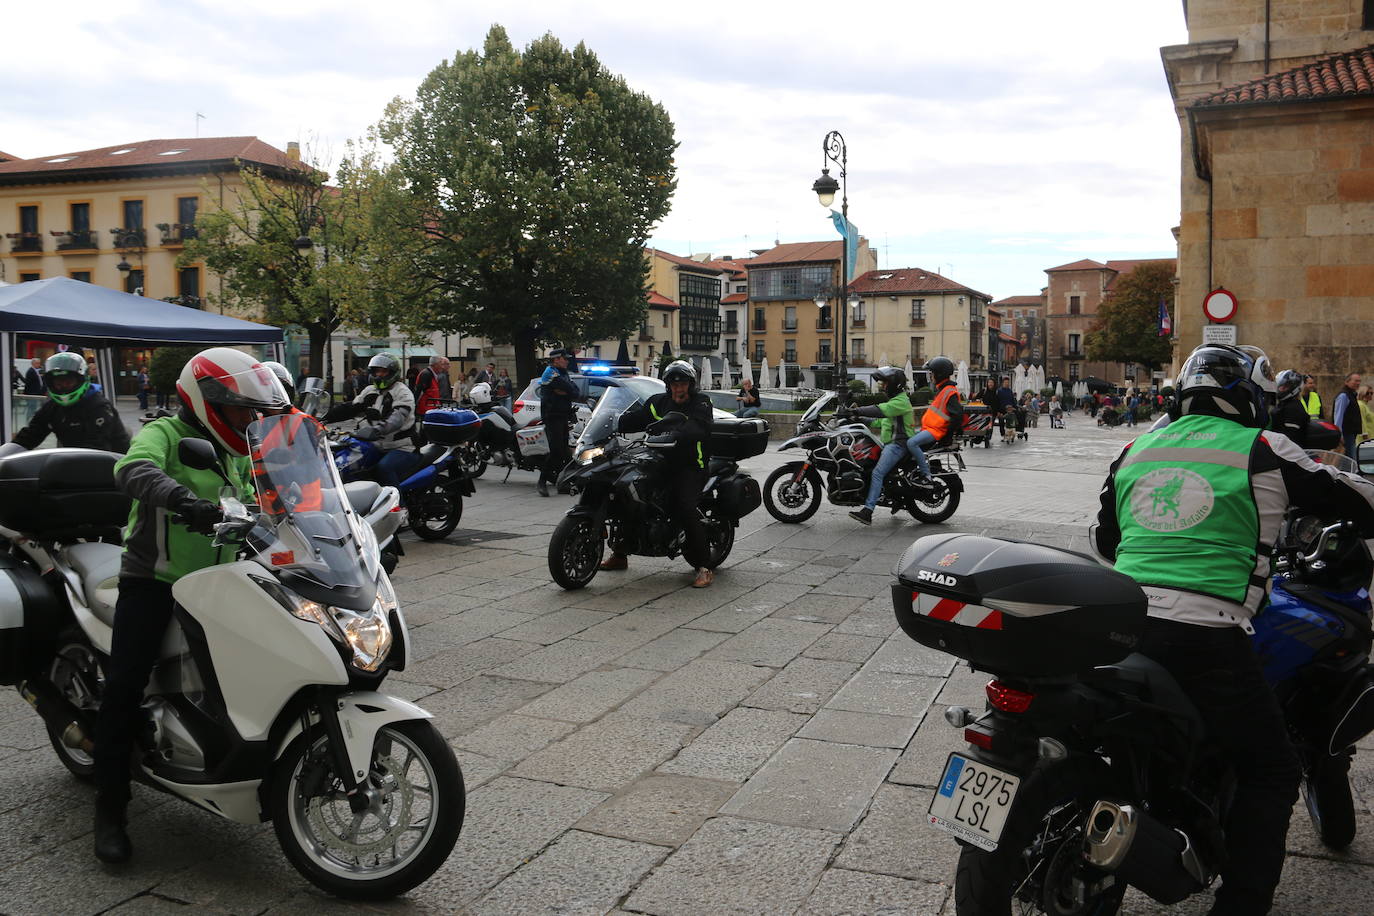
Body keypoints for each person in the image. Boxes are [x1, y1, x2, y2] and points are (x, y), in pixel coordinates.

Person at [1094, 343, 1374, 916]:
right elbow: (1356, 498)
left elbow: (1106, 537)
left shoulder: (1136, 445)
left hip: (1119, 623)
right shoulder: (1261, 447)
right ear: (1250, 396)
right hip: (1207, 630)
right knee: (1270, 768)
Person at [92, 347, 284, 864]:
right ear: (206, 403)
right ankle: (110, 807)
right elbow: (132, 470)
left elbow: (273, 487)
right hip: (155, 580)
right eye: (241, 410)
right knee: (126, 685)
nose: (249, 420)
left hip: (222, 580)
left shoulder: (244, 447)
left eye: (253, 412)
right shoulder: (166, 435)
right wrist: (184, 501)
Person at [599, 360, 716, 587]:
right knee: (630, 495)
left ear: (690, 385)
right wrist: (611, 422)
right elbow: (637, 418)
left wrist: (672, 430)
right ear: (667, 385)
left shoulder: (701, 402)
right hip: (659, 462)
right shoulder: (658, 402)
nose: (678, 387)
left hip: (692, 465)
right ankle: (620, 554)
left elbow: (696, 427)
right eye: (673, 383)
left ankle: (703, 566)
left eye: (682, 383)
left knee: (684, 506)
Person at [322, 353, 416, 489]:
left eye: (383, 371)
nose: (379, 375)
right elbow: (350, 408)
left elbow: (397, 418)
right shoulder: (370, 390)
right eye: (376, 371)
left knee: (384, 469)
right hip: (374, 444)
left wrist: (376, 430)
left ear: (393, 373)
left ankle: (398, 507)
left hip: (400, 446)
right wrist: (323, 418)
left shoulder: (402, 392)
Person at [9, 352, 130, 453]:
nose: (63, 387)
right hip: (72, 462)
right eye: (58, 383)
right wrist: (7, 454)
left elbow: (98, 447)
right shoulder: (51, 407)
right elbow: (29, 435)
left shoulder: (98, 406)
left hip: (112, 465)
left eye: (68, 382)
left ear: (82, 380)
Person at [846, 365, 915, 526]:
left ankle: (867, 511)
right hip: (889, 444)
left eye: (884, 383)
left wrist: (858, 411)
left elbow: (880, 410)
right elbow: (881, 420)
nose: (882, 386)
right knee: (869, 466)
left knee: (877, 473)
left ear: (893, 384)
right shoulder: (895, 401)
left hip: (898, 445)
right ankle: (894, 498)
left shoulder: (900, 402)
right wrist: (860, 419)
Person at [902, 356, 962, 487]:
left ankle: (926, 476)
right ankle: (909, 471)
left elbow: (957, 415)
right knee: (905, 436)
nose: (931, 376)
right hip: (930, 429)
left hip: (936, 431)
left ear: (940, 374)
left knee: (911, 443)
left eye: (932, 373)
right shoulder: (943, 390)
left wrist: (948, 436)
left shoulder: (949, 391)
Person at [536, 349, 578, 497]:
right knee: (556, 450)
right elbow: (569, 388)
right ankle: (541, 482)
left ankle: (563, 483)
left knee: (565, 451)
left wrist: (566, 391)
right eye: (564, 359)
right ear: (556, 359)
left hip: (562, 415)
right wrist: (566, 390)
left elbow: (575, 391)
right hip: (552, 416)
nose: (567, 361)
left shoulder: (563, 373)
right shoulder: (551, 373)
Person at [1269, 369, 1310, 449]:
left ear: (1294, 389)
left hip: (1288, 456)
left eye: (1284, 387)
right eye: (1280, 386)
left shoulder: (1294, 409)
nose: (1280, 389)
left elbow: (1289, 440)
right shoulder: (1283, 404)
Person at [411, 355, 452, 419]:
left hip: (432, 409)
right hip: (425, 411)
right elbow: (419, 392)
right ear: (435, 365)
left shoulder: (433, 374)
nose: (442, 367)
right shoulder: (426, 374)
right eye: (441, 364)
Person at [1332, 371, 1363, 457]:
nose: (1358, 383)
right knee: (1348, 459)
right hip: (1346, 434)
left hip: (1350, 433)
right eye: (1356, 381)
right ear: (1347, 382)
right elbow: (1338, 416)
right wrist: (1339, 434)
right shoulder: (1343, 396)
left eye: (1359, 381)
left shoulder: (1351, 395)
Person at [995, 377, 1017, 442]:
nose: (1007, 384)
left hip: (1010, 410)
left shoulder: (1010, 391)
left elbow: (1012, 400)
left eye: (1008, 382)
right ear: (1003, 383)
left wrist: (1015, 407)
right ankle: (1003, 435)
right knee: (1001, 423)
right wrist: (998, 411)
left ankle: (1010, 434)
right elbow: (997, 401)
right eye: (1006, 382)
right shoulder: (999, 391)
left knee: (1010, 423)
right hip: (1001, 409)